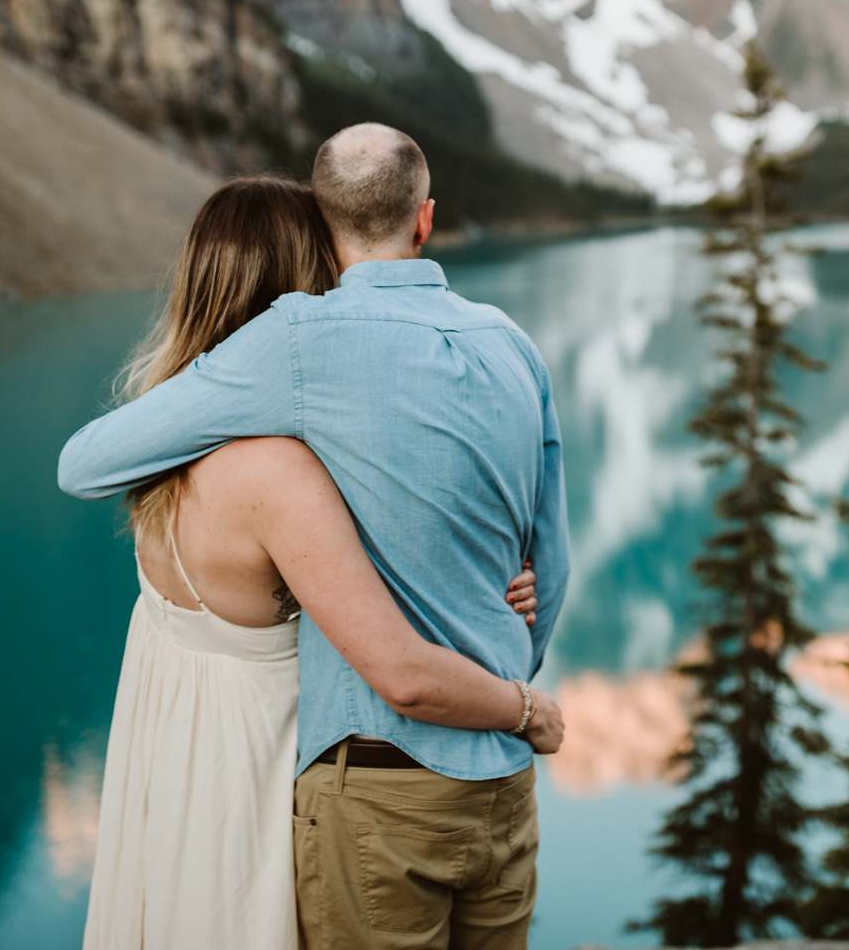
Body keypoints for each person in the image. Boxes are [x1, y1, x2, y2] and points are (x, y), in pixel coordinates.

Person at [61, 125, 571, 949]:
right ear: (426, 219)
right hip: (494, 775)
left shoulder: (291, 361)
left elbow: (85, 465)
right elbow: (550, 562)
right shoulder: (508, 344)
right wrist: (518, 680)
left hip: (316, 786)